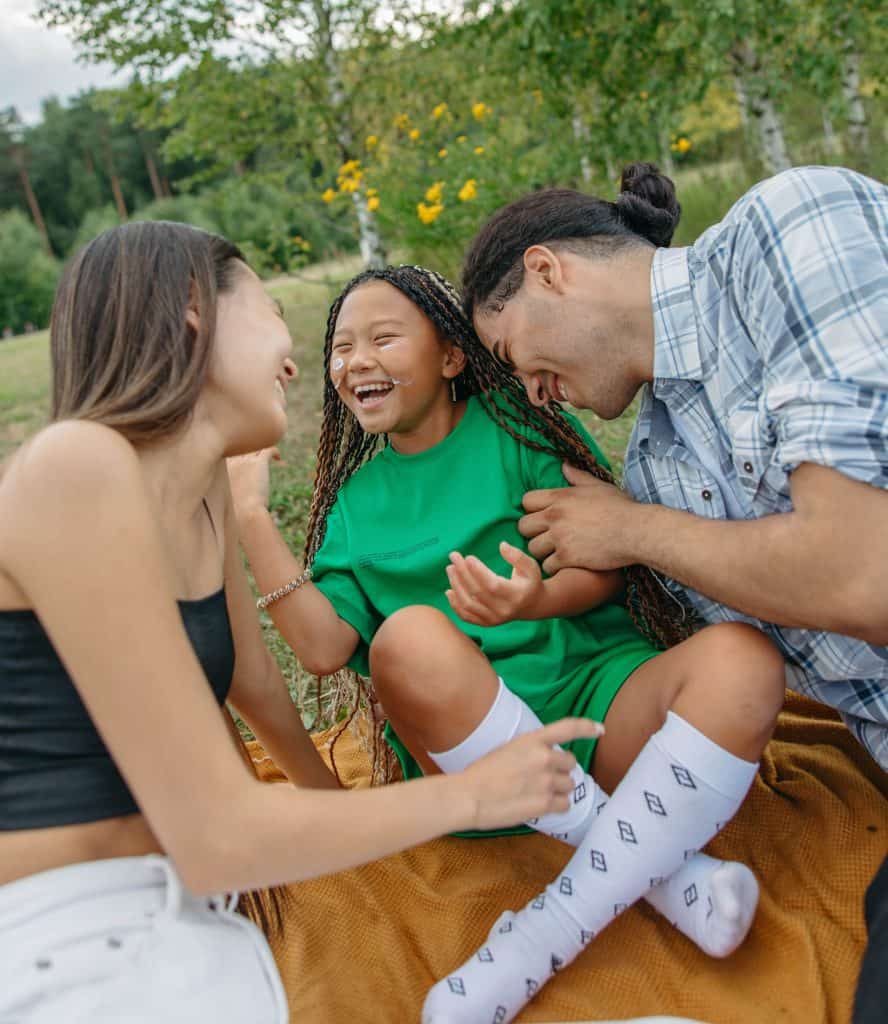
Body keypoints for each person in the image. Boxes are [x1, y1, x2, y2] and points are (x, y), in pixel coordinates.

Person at [0, 222, 599, 1024]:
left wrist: (348, 843)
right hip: (68, 935)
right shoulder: (76, 464)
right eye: (273, 310)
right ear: (192, 311)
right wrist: (471, 798)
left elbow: (256, 686)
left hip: (180, 917)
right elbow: (216, 834)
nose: (296, 354)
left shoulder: (199, 484)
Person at [229, 264, 786, 1024]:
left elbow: (606, 555)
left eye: (384, 337)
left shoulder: (514, 429)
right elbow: (325, 648)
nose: (356, 359)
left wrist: (537, 597)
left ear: (452, 355)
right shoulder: (356, 508)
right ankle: (652, 867)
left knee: (743, 662)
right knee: (412, 637)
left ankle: (549, 924)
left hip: (599, 703)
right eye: (342, 347)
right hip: (479, 764)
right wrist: (253, 519)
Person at [458, 161, 888, 1022]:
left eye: (515, 355)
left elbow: (863, 574)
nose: (532, 390)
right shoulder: (650, 470)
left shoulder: (786, 228)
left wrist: (629, 533)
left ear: (548, 271)